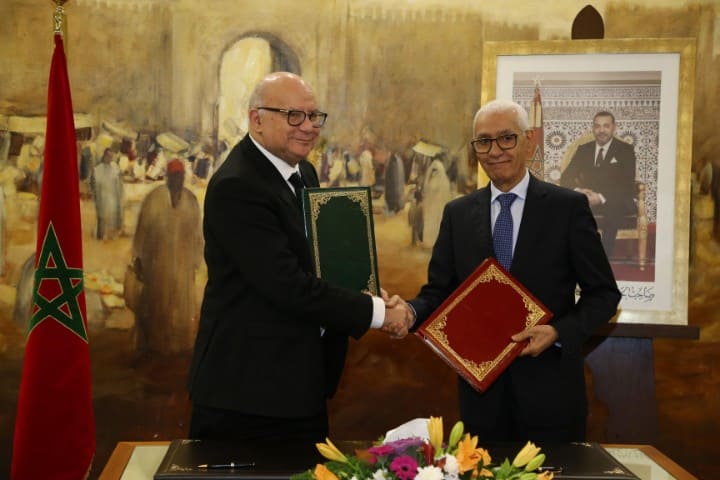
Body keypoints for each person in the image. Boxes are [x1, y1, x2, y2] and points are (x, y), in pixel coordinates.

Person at [187, 72, 412, 443]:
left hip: (298, 382)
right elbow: (286, 285)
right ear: (256, 119)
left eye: (314, 116)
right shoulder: (237, 186)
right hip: (248, 395)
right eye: (294, 116)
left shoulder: (302, 171)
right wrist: (377, 312)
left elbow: (316, 262)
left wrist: (365, 292)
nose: (308, 127)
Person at [388, 99, 621, 442]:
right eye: (484, 141)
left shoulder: (567, 208)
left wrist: (557, 333)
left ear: (528, 141)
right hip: (482, 404)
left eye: (506, 138)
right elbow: (439, 293)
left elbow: (603, 294)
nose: (495, 150)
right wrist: (409, 311)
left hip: (551, 398)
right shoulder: (457, 214)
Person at [129, 158, 202, 354]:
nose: (178, 180)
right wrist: (138, 259)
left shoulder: (191, 201)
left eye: (180, 176)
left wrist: (195, 262)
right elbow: (141, 231)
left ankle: (179, 345)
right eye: (174, 176)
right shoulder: (153, 199)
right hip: (158, 263)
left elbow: (197, 235)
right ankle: (155, 345)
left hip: (183, 264)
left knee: (181, 305)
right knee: (156, 304)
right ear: (167, 177)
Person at [560, 111, 637, 257]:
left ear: (614, 127)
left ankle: (603, 256)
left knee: (614, 206)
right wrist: (579, 191)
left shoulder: (625, 150)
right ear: (593, 128)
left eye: (606, 126)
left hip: (614, 199)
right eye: (597, 126)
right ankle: (570, 254)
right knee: (565, 205)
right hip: (586, 199)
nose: (601, 130)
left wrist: (600, 197)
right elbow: (566, 177)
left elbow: (627, 183)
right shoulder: (584, 149)